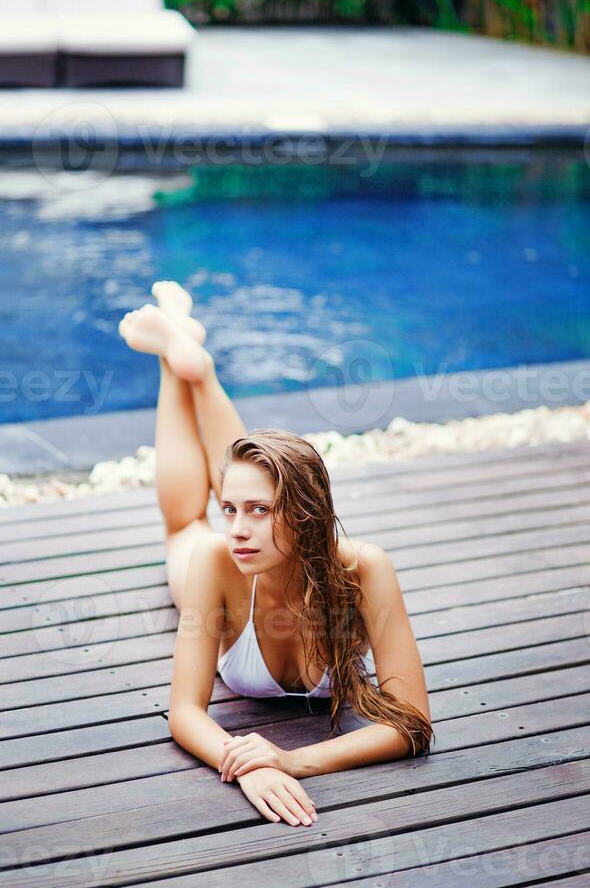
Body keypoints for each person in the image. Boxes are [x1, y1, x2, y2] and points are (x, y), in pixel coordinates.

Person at [119, 280, 432, 828]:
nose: (237, 529)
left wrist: (289, 761)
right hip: (206, 570)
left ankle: (188, 356)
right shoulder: (217, 557)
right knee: (186, 525)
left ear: (306, 513)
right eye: (232, 509)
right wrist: (243, 765)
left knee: (210, 504)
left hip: (282, 562)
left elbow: (411, 723)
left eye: (259, 511)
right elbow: (185, 712)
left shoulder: (365, 568)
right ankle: (180, 362)